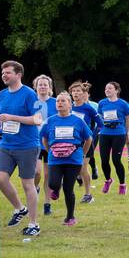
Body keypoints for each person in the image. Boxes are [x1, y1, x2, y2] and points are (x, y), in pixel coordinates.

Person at [0, 60, 44, 236]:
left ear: (18, 75)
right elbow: (0, 117)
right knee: (0, 179)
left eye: (8, 72)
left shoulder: (29, 94)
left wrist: (13, 117)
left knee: (27, 184)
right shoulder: (0, 95)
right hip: (6, 144)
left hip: (27, 145)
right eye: (2, 73)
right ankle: (19, 208)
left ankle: (33, 224)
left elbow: (37, 119)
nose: (4, 75)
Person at [41, 92, 92, 226]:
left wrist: (82, 154)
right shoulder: (50, 120)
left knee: (68, 188)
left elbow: (88, 139)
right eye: (58, 101)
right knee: (53, 183)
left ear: (70, 104)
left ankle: (70, 217)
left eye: (63, 101)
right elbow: (44, 138)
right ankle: (56, 190)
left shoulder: (78, 121)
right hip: (55, 159)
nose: (60, 103)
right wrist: (49, 150)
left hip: (73, 160)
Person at [95, 81, 129, 194]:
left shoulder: (123, 103)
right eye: (106, 88)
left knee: (116, 160)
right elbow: (99, 116)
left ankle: (122, 184)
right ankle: (108, 180)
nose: (107, 90)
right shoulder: (101, 103)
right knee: (104, 160)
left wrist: (127, 132)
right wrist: (103, 124)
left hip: (119, 134)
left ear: (116, 90)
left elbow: (128, 117)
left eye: (110, 88)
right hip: (105, 134)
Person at [67, 82, 99, 204]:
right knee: (70, 167)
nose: (76, 93)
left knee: (82, 168)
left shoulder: (89, 108)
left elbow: (100, 124)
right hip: (71, 141)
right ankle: (68, 192)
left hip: (85, 142)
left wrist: (91, 133)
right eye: (73, 91)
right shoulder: (69, 107)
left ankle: (88, 194)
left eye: (78, 91)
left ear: (83, 93)